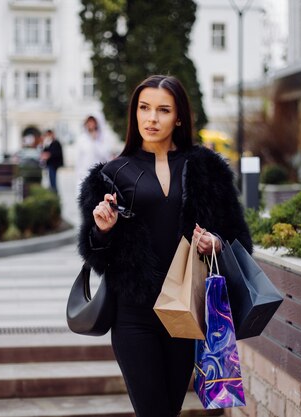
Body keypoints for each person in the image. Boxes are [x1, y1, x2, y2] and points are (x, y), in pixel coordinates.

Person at [77, 75, 253, 417]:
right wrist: (103, 231)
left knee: (168, 410)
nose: (151, 118)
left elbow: (237, 238)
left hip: (184, 313)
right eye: (144, 108)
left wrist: (215, 242)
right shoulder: (111, 174)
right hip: (133, 316)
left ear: (179, 117)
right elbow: (94, 254)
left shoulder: (206, 169)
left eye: (162, 110)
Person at [75, 113, 113, 184]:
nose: (91, 124)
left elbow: (106, 156)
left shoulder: (103, 138)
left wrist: (95, 141)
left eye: (92, 121)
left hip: (99, 174)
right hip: (85, 175)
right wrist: (78, 176)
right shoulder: (81, 139)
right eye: (89, 122)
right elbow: (78, 160)